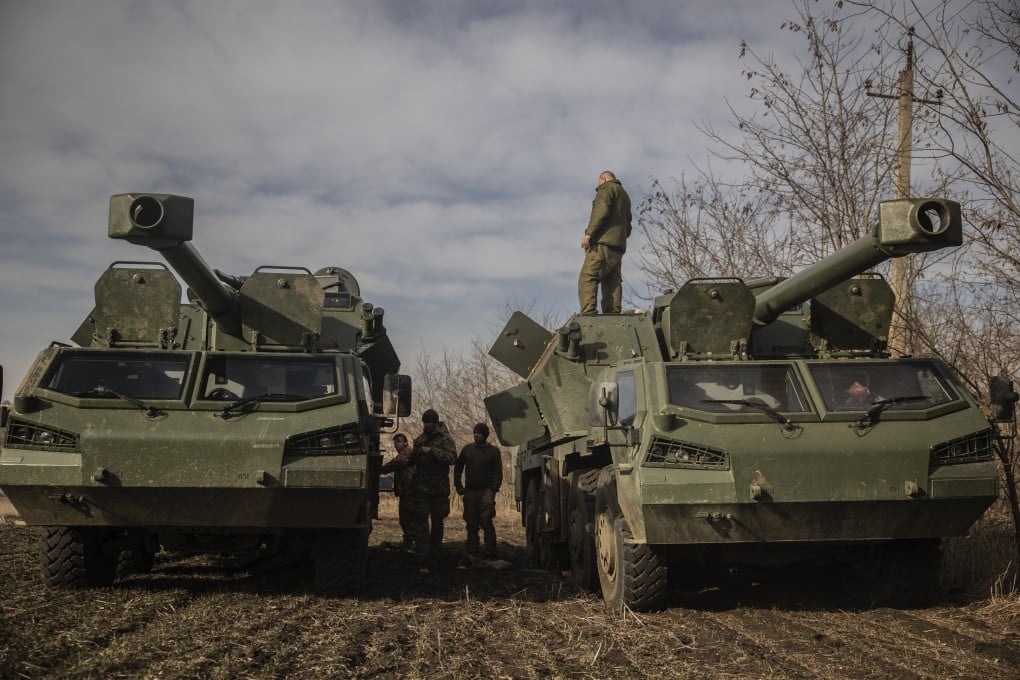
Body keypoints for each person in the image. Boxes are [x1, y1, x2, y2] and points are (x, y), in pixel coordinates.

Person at [406, 408, 457, 561]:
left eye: (429, 423)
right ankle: (422, 553)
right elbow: (412, 461)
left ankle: (436, 550)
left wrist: (433, 451)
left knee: (437, 522)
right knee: (420, 522)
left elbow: (452, 458)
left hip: (438, 489)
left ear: (435, 423)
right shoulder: (420, 439)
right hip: (421, 488)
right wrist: (413, 456)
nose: (426, 425)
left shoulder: (446, 439)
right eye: (424, 422)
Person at [578, 170, 632, 315]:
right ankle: (613, 314)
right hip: (617, 247)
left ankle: (588, 313)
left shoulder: (607, 188)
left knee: (587, 277)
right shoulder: (625, 196)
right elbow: (628, 225)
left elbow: (600, 212)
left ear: (603, 179)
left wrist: (589, 234)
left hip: (602, 244)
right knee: (612, 281)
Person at [454, 423, 503, 558]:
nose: (476, 435)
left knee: (486, 521)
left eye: (479, 433)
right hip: (470, 492)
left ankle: (490, 552)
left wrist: (493, 490)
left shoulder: (493, 451)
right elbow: (458, 467)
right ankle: (472, 551)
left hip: (486, 492)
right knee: (471, 523)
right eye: (474, 432)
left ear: (485, 435)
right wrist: (458, 485)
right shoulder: (468, 449)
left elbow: (498, 473)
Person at [380, 433, 415, 551]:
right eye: (395, 442)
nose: (395, 445)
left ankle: (410, 543)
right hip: (406, 491)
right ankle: (409, 542)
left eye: (398, 442)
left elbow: (397, 462)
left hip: (410, 491)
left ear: (405, 442)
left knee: (407, 518)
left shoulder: (407, 451)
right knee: (405, 518)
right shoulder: (404, 452)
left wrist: (381, 469)